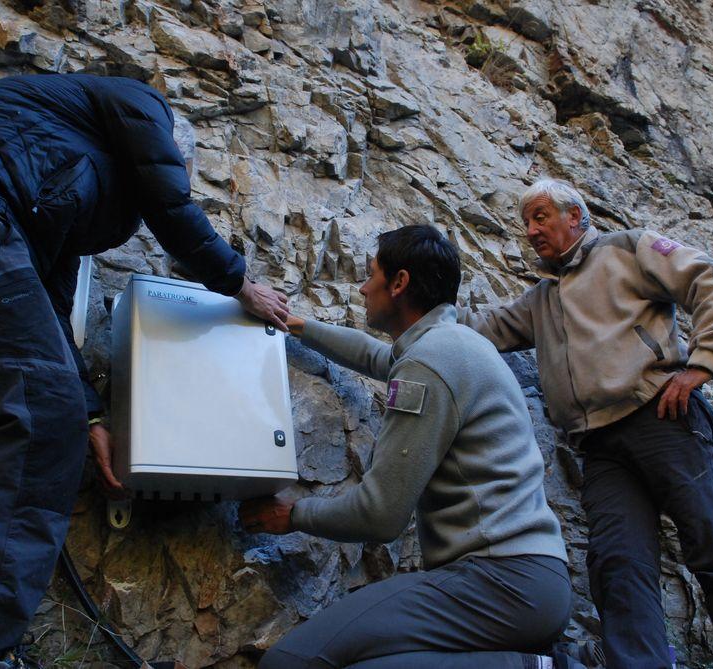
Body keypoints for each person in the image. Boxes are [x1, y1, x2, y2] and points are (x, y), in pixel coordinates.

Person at [0, 73, 288, 669]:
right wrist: (238, 282)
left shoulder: (64, 172)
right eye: (177, 167)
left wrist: (86, 412)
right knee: (38, 423)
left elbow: (47, 306)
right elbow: (171, 201)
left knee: (18, 415)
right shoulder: (144, 105)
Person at [459, 178, 713, 668]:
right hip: (600, 447)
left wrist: (700, 364)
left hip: (663, 417)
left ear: (576, 216)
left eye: (541, 216)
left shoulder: (628, 249)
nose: (531, 230)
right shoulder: (542, 299)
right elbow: (481, 330)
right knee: (617, 567)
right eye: (526, 222)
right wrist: (414, 317)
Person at [240, 225, 583, 669]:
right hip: (532, 582)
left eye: (371, 275)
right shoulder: (455, 344)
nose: (363, 288)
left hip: (498, 581)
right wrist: (298, 325)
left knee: (291, 661)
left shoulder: (429, 361)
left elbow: (380, 515)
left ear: (398, 283)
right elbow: (377, 358)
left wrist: (293, 516)